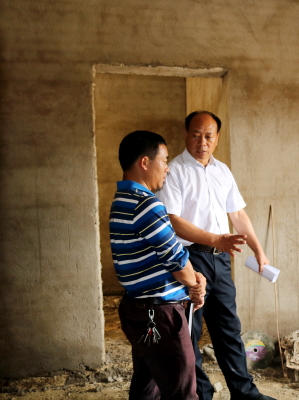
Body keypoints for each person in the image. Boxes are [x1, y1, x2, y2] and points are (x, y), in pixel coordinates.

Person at [156, 111, 275, 400]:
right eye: (196, 135)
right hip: (188, 259)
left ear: (217, 138)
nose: (202, 143)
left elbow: (238, 214)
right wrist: (217, 240)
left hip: (220, 261)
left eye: (208, 136)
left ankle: (244, 393)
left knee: (229, 329)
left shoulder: (222, 170)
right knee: (190, 333)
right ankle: (201, 393)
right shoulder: (175, 171)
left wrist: (259, 250)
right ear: (186, 135)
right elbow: (172, 220)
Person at [109, 130, 207, 400]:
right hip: (161, 315)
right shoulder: (146, 204)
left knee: (146, 388)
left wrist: (192, 277)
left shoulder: (122, 200)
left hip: (138, 310)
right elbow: (175, 259)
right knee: (182, 393)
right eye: (164, 161)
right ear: (145, 162)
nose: (167, 168)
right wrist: (196, 284)